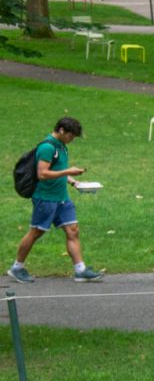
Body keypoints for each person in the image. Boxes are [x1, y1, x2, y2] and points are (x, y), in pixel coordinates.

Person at [9, 116, 103, 284]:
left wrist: (72, 180)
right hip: (46, 198)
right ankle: (17, 268)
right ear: (61, 130)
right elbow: (42, 174)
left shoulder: (62, 147)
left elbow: (57, 169)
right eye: (71, 135)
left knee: (73, 230)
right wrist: (69, 171)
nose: (72, 139)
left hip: (61, 198)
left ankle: (80, 270)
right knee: (36, 232)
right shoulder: (47, 147)